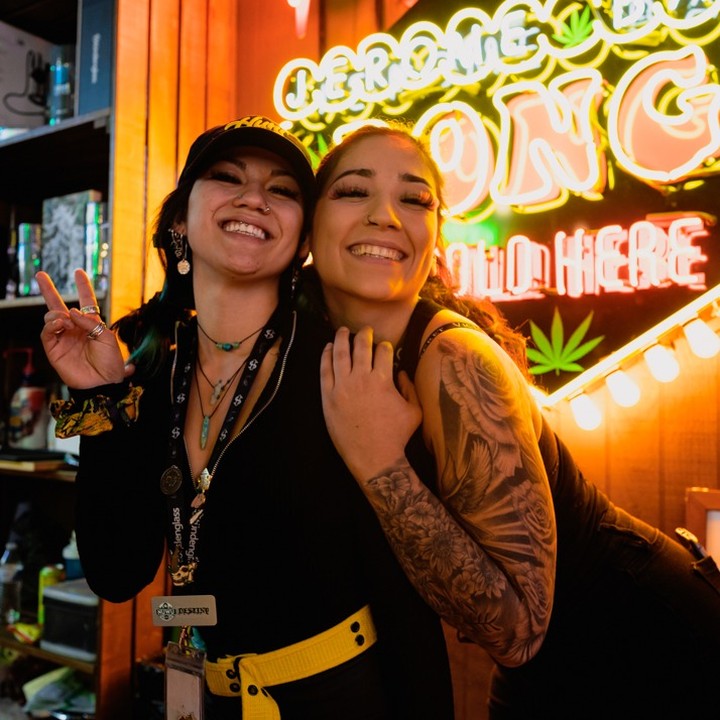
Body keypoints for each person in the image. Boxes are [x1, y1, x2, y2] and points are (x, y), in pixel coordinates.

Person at [35, 115, 554, 720]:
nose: (254, 198)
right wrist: (98, 400)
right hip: (208, 692)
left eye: (280, 189)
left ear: (302, 238)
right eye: (227, 178)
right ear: (179, 221)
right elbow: (116, 572)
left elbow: (424, 611)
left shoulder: (349, 364)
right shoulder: (153, 367)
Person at [302, 122, 720, 719]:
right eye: (353, 191)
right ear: (309, 222)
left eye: (414, 199)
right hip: (548, 669)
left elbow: (518, 632)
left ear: (434, 236)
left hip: (650, 644)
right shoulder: (320, 347)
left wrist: (379, 463)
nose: (385, 216)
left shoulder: (455, 359)